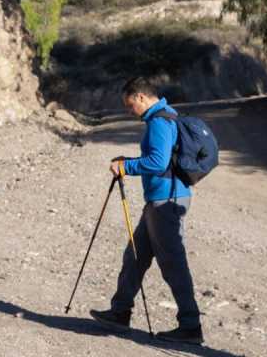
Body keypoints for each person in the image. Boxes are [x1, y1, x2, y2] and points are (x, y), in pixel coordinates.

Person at [89, 77, 203, 344]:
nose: (130, 111)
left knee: (173, 264)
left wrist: (126, 168)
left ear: (141, 97)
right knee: (135, 257)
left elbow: (157, 161)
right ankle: (120, 312)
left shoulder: (159, 122)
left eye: (130, 105)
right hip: (161, 200)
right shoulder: (166, 116)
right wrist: (127, 161)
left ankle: (190, 326)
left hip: (166, 202)